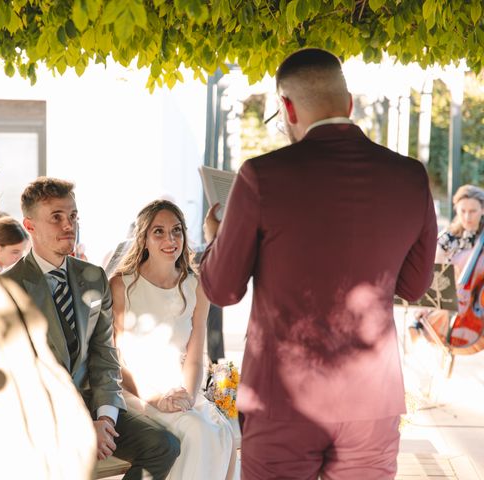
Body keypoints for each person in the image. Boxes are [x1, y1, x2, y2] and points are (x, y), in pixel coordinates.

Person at [200, 48, 437, 480]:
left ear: (286, 107)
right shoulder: (411, 176)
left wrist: (216, 241)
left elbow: (222, 290)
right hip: (371, 399)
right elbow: (416, 285)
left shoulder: (261, 176)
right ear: (348, 105)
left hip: (283, 399)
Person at [2, 177, 180, 480]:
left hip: (93, 402)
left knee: (163, 445)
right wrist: (82, 428)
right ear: (29, 226)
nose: (68, 225)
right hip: (41, 416)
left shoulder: (94, 276)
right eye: (56, 218)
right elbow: (19, 376)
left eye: (73, 216)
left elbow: (105, 355)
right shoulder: (6, 287)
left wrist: (105, 418)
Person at [110, 199, 237, 480]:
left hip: (181, 388)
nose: (170, 239)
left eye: (176, 230)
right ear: (143, 239)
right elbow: (116, 361)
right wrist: (156, 398)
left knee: (217, 431)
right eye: (159, 231)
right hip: (137, 392)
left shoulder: (196, 286)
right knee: (195, 431)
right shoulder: (122, 286)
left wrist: (188, 397)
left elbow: (194, 356)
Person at [413, 184, 484, 346]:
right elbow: (435, 272)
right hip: (455, 296)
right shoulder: (447, 238)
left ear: (483, 210)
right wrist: (427, 304)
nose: (467, 217)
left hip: (480, 298)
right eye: (462, 211)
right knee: (427, 318)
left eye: (473, 211)